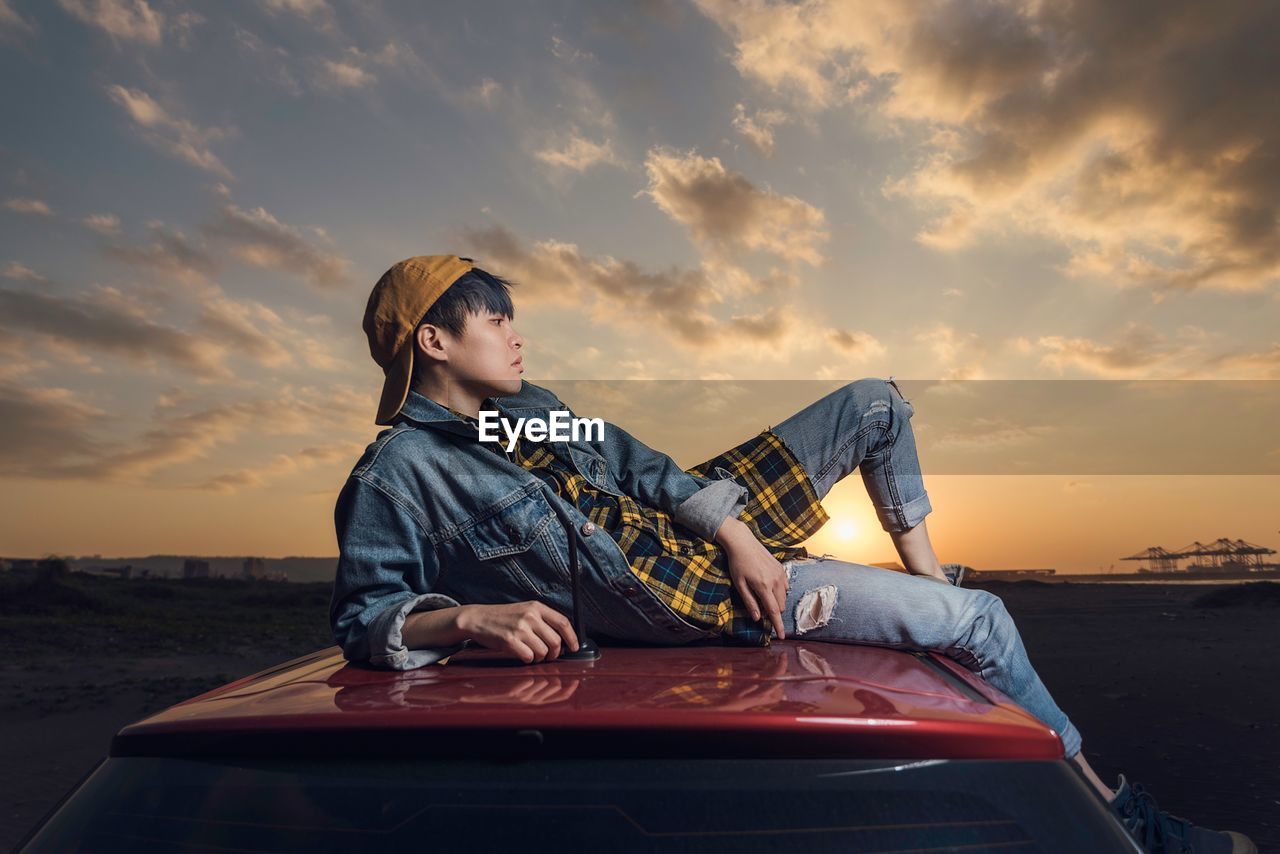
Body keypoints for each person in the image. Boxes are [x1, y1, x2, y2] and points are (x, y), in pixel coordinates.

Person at [330, 255, 1255, 854]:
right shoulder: (396, 478)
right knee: (982, 619)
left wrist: (733, 528)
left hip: (704, 533)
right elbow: (366, 616)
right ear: (435, 340)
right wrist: (466, 616)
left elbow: (637, 466)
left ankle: (926, 577)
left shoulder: (531, 408)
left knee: (875, 400)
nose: (517, 333)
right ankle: (1128, 822)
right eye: (496, 321)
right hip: (689, 595)